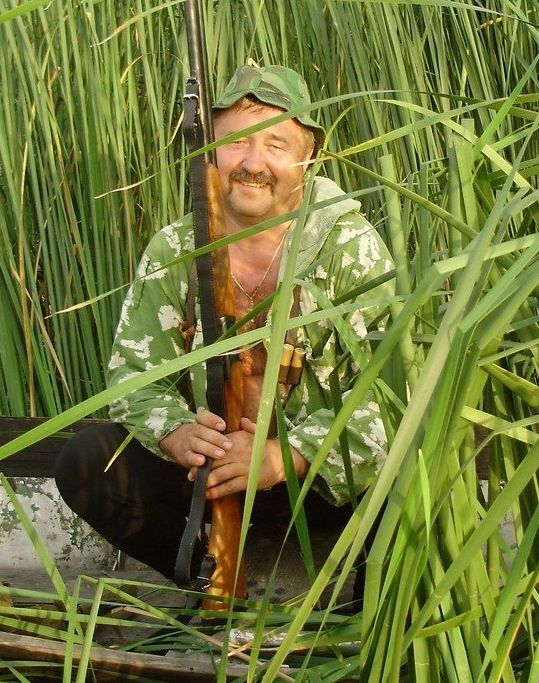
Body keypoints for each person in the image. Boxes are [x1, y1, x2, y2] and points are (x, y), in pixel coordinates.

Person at [55, 65, 394, 583]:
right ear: (210, 152)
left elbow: (391, 398)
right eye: (236, 142)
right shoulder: (175, 249)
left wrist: (291, 456)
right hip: (211, 482)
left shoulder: (350, 248)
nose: (253, 163)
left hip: (321, 486)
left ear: (309, 157)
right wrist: (176, 432)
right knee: (85, 462)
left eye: (277, 145)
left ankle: (355, 608)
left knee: (406, 477)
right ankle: (213, 578)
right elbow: (132, 374)